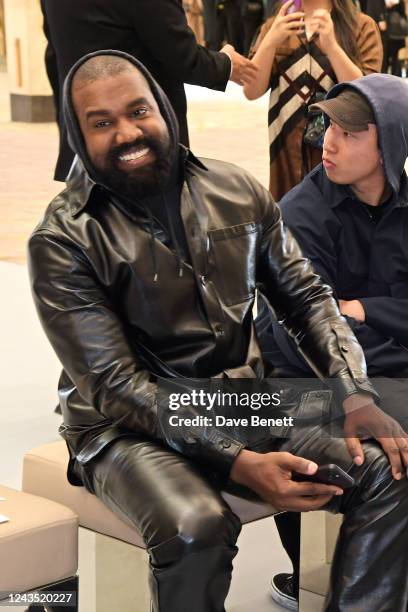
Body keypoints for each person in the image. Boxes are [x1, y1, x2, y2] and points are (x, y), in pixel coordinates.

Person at [28, 51, 408, 612]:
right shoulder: (62, 239)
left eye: (138, 111)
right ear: (77, 136)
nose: (127, 132)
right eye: (101, 122)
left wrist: (351, 388)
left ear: (164, 109)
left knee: (391, 466)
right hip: (121, 428)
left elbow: (307, 299)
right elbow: (117, 387)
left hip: (238, 400)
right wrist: (237, 460)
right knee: (196, 527)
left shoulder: (238, 190)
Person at [256, 73, 408, 610]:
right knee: (394, 461)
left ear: (390, 144)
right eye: (327, 126)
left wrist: (367, 313)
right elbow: (303, 341)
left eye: (350, 132)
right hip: (303, 392)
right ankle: (317, 580)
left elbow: (346, 329)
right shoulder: (300, 213)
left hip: (380, 383)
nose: (329, 142)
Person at [39, 0, 258, 182]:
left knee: (91, 226)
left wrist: (70, 125)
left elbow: (54, 58)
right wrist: (226, 64)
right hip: (142, 143)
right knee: (157, 227)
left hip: (86, 137)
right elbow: (180, 55)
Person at [243, 0, 382, 201]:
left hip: (340, 156)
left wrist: (332, 48)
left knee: (339, 220)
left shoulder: (360, 25)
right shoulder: (277, 25)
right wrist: (271, 40)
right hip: (285, 154)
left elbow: (366, 93)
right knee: (289, 219)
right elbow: (251, 90)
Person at [364, 0, 408, 75]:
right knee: (383, 58)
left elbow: (402, 10)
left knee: (396, 60)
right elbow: (374, 6)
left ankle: (395, 79)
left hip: (396, 32)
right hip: (384, 29)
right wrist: (381, 18)